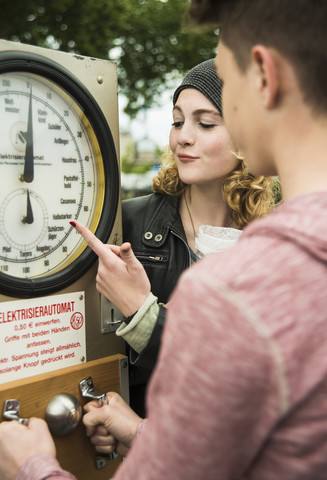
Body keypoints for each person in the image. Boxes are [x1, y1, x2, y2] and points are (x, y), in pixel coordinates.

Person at [2, 0, 327, 478]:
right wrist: (138, 430)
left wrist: (31, 466)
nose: (183, 137)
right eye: (177, 120)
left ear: (264, 75)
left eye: (226, 80)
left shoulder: (230, 292)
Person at [113, 59, 277, 416]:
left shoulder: (271, 243)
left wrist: (146, 314)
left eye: (205, 123)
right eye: (177, 121)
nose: (182, 137)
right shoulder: (127, 222)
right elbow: (100, 355)